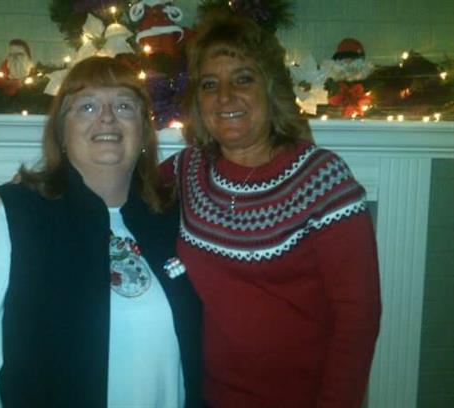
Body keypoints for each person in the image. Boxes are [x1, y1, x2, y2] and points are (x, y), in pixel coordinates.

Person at [0, 56, 202, 408]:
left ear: (143, 132)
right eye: (87, 106)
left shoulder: (169, 217)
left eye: (124, 106)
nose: (107, 117)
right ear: (61, 132)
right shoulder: (17, 216)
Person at [161, 9, 381, 408]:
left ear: (271, 88)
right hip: (202, 396)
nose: (225, 96)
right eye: (209, 84)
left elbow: (358, 317)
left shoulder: (322, 179)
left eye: (243, 78)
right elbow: (119, 192)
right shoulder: (185, 170)